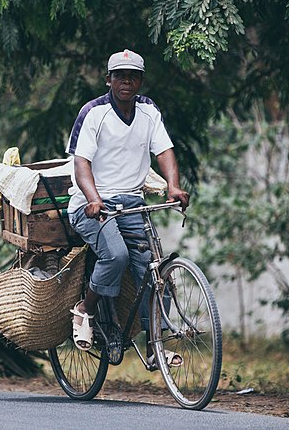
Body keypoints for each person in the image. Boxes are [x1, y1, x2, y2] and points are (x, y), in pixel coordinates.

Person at [65, 49, 190, 366]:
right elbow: (81, 164)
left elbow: (164, 152)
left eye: (133, 75)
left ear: (141, 80)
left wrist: (172, 186)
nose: (126, 81)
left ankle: (155, 345)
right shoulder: (94, 113)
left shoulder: (148, 111)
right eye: (119, 75)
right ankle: (86, 309)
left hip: (132, 204)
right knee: (116, 255)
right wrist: (93, 199)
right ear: (108, 79)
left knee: (153, 270)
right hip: (91, 205)